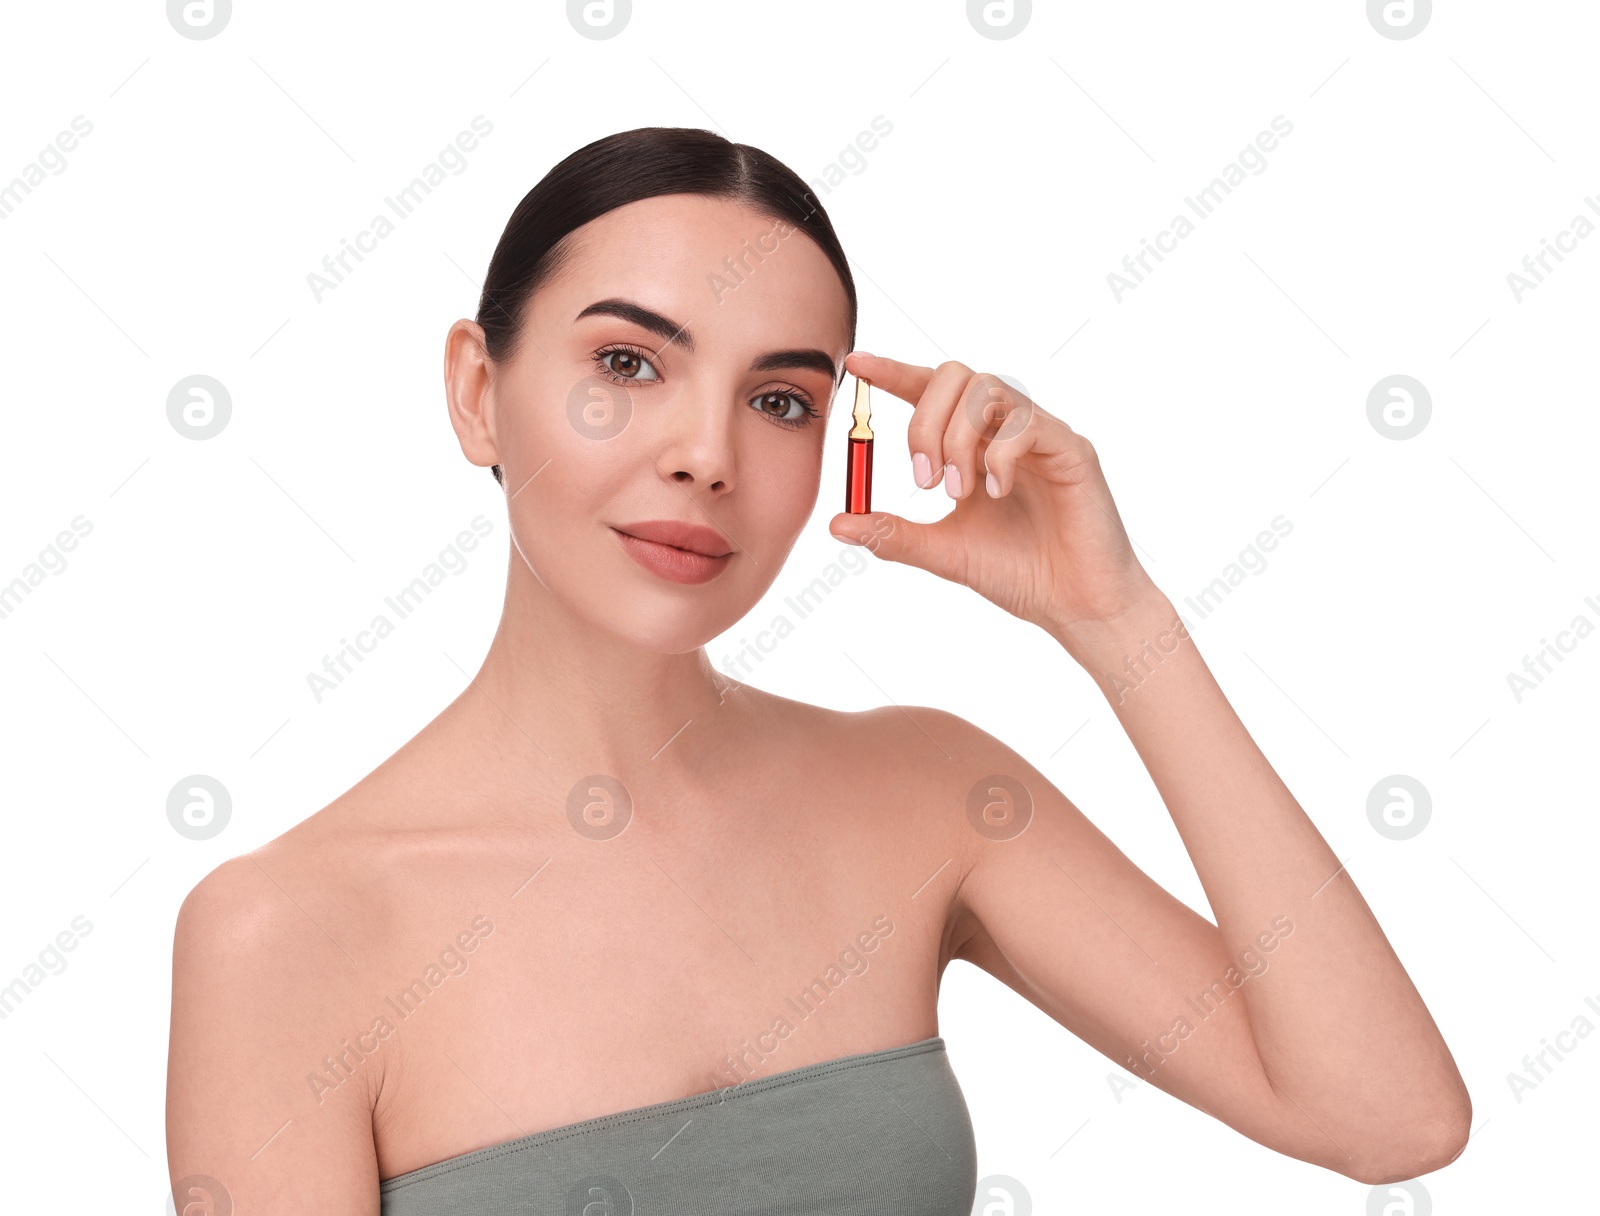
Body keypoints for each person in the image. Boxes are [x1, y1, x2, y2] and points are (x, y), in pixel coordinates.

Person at [165, 127, 1471, 1213]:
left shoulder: (930, 795)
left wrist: (1115, 617)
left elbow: (1388, 1121)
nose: (705, 454)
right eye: (628, 362)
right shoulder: (289, 935)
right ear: (476, 391)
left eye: (780, 397)